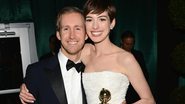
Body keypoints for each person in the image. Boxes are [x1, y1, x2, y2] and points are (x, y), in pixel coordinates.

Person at [20, 0, 156, 103]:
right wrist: (25, 87)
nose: (95, 26)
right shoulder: (85, 52)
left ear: (112, 23)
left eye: (102, 19)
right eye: (90, 20)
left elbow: (149, 100)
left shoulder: (126, 59)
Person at [19, 7, 87, 104]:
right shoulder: (36, 72)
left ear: (86, 34)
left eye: (77, 28)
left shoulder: (96, 69)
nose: (72, 35)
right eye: (66, 29)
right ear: (58, 35)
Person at [121, 30, 150, 103]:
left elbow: (145, 74)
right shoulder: (116, 56)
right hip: (121, 92)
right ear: (121, 42)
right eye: (127, 44)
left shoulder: (138, 55)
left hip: (136, 93)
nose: (129, 46)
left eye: (131, 44)